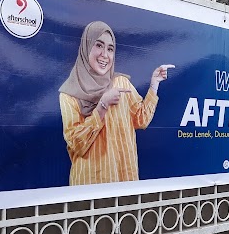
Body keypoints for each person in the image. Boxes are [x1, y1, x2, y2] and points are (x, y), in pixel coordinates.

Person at [59, 21, 173, 185]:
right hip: (89, 187)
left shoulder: (121, 84)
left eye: (110, 49)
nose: (105, 54)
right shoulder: (69, 94)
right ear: (86, 47)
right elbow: (77, 144)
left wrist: (154, 84)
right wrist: (101, 107)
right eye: (98, 45)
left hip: (123, 181)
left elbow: (141, 119)